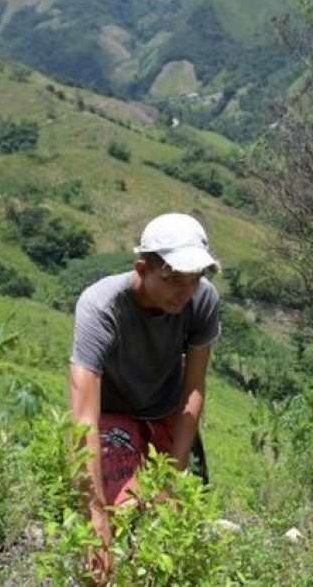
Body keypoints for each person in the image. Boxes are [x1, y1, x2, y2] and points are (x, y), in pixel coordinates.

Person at [69, 212, 221, 578]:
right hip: (114, 413)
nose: (185, 293)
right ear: (142, 268)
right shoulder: (101, 307)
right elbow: (83, 417)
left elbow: (194, 386)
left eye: (195, 279)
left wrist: (175, 470)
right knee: (119, 521)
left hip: (168, 411)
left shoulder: (201, 301)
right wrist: (95, 514)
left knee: (176, 525)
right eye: (172, 280)